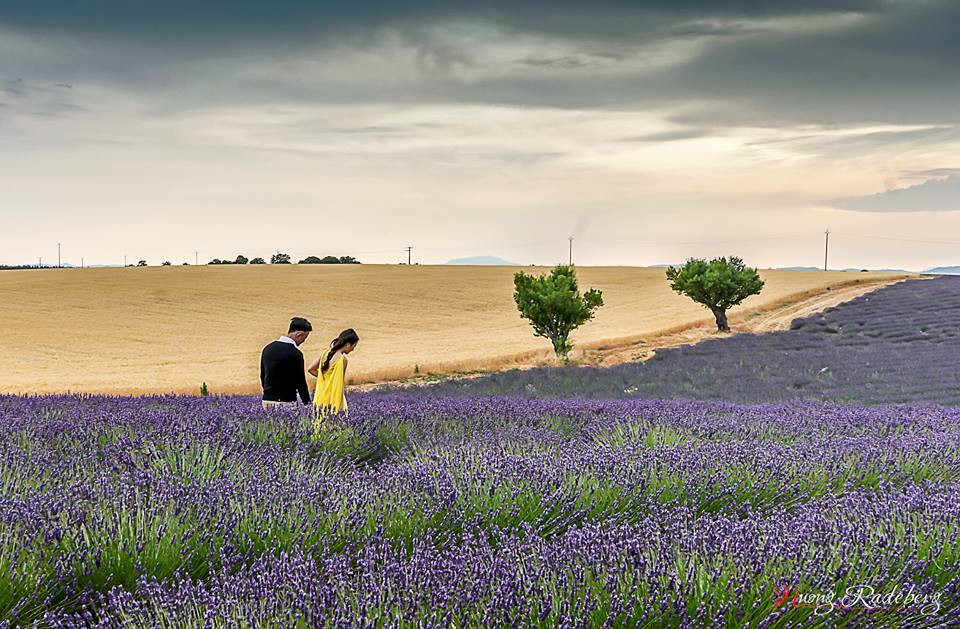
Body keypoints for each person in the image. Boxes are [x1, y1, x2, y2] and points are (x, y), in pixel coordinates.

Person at [308, 328, 359, 429]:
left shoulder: (324, 354)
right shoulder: (342, 359)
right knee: (336, 427)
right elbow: (340, 383)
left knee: (320, 425)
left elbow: (311, 369)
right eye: (354, 346)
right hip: (332, 396)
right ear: (348, 344)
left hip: (320, 395)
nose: (353, 349)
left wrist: (324, 379)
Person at [260, 317, 312, 410]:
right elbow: (300, 381)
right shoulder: (295, 353)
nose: (303, 341)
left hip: (267, 400)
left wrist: (269, 393)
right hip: (286, 402)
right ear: (299, 334)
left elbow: (263, 375)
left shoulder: (267, 348)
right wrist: (307, 404)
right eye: (304, 338)